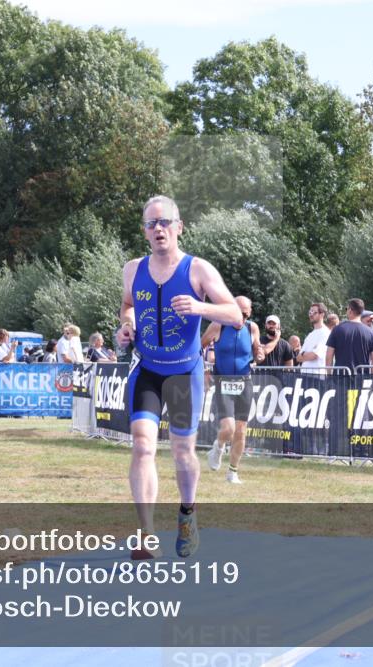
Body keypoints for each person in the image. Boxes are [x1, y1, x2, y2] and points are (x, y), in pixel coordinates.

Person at [115, 195, 240, 559]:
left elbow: (234, 313)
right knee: (141, 445)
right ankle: (146, 533)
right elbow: (127, 305)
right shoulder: (132, 269)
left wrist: (199, 306)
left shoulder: (198, 269)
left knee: (182, 451)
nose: (159, 229)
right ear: (144, 231)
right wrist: (127, 326)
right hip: (147, 370)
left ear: (179, 227)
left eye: (165, 222)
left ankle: (188, 512)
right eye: (151, 224)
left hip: (184, 373)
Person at [201, 296, 263, 484]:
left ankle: (233, 472)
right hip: (223, 381)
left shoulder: (252, 328)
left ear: (249, 312)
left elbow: (257, 350)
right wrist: (204, 370)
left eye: (245, 314)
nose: (242, 317)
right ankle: (218, 447)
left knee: (241, 431)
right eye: (238, 312)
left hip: (245, 382)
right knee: (228, 429)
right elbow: (199, 346)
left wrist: (259, 354)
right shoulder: (218, 325)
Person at [325, 298, 373, 372]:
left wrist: (329, 376)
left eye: (346, 309)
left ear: (350, 310)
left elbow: (329, 356)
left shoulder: (337, 329)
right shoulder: (371, 333)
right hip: (362, 378)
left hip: (340, 378)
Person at [297, 302, 330, 369]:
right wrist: (306, 354)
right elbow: (298, 358)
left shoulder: (325, 333)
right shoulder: (310, 335)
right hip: (304, 374)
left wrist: (304, 354)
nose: (311, 315)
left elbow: (315, 355)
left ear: (322, 314)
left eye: (314, 312)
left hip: (317, 375)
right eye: (310, 312)